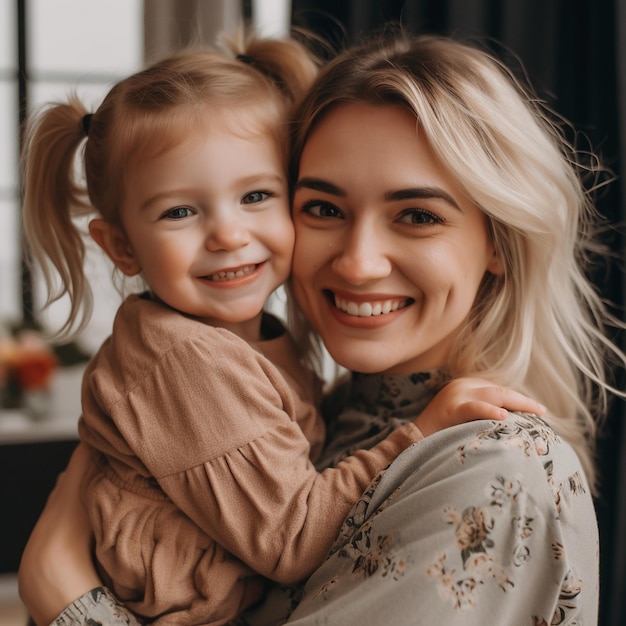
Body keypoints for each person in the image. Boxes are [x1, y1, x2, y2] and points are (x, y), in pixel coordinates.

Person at [19, 29, 612, 625]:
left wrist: (65, 595)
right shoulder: (326, 417)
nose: (358, 262)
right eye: (324, 208)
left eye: (417, 215)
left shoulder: (492, 464)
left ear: (499, 242)